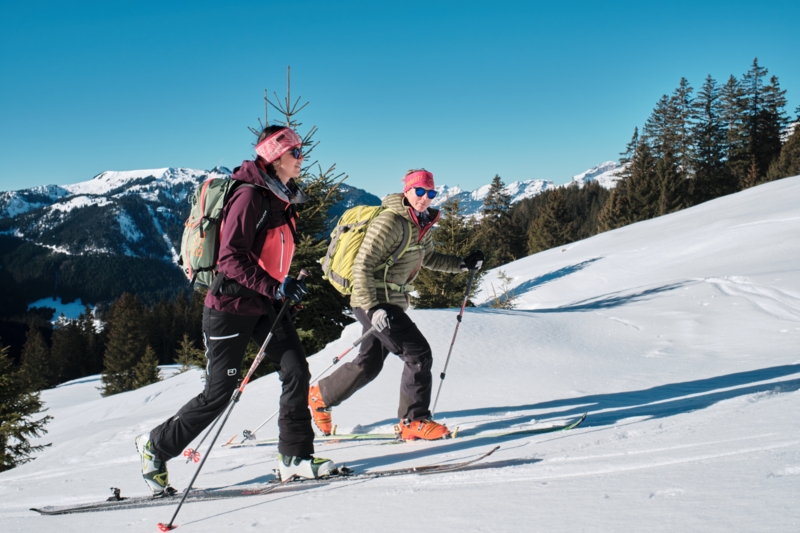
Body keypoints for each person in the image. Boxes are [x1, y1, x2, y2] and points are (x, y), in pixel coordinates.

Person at [136, 126, 335, 495]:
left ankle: (294, 457)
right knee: (219, 393)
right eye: (295, 152)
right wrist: (275, 285)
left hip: (266, 303)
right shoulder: (249, 196)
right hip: (230, 306)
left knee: (296, 369)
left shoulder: (281, 196)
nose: (301, 158)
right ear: (275, 157)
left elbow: (270, 252)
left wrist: (284, 284)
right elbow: (230, 259)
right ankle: (155, 446)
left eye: (301, 151)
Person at [309, 169, 484, 440]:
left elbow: (428, 257)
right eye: (420, 191)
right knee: (418, 353)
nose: (425, 198)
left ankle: (321, 396)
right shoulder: (390, 221)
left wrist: (462, 264)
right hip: (375, 301)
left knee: (369, 363)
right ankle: (414, 420)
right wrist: (372, 307)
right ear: (408, 191)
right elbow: (362, 265)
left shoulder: (420, 223)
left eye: (431, 193)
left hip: (390, 301)